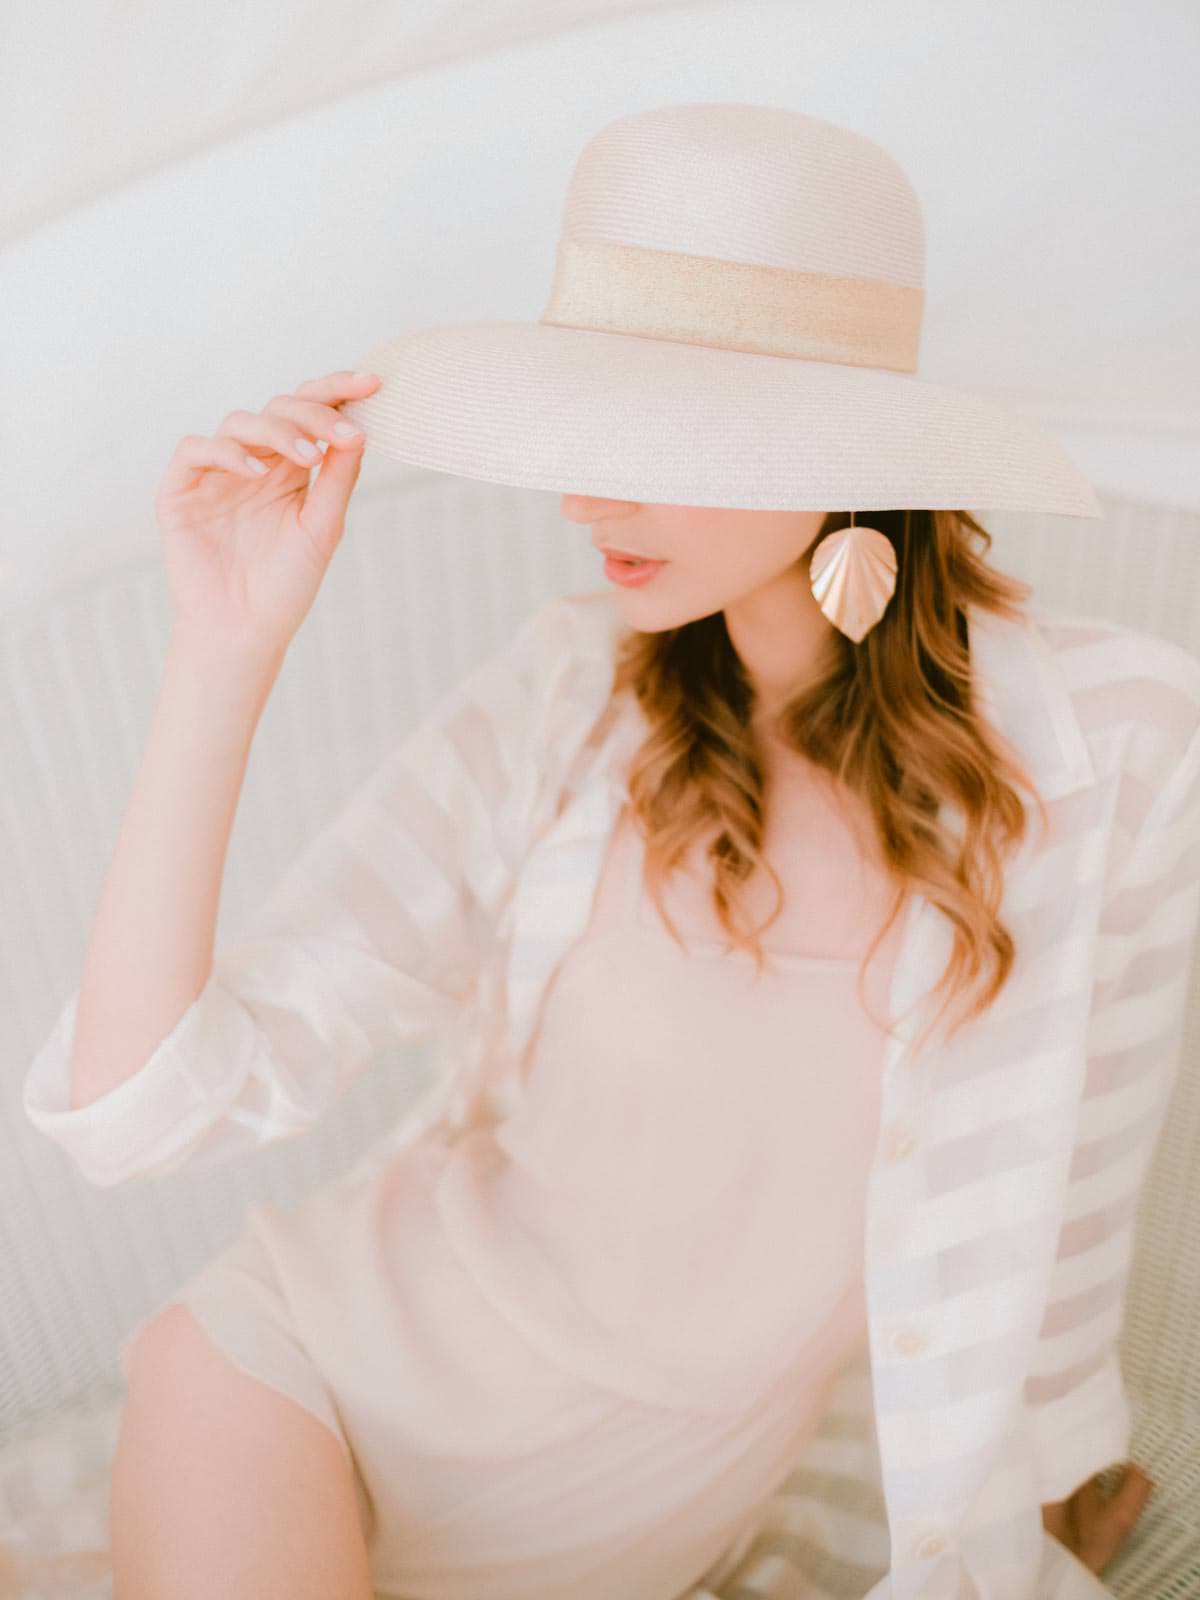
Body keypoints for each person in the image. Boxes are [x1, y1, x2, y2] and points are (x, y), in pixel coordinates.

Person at [23, 105, 1198, 1599]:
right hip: (307, 1372)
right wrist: (224, 652)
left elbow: (1075, 1180)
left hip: (626, 1519)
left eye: (661, 437)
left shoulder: (1121, 745)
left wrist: (1032, 1493)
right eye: (586, 429)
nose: (587, 497)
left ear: (850, 444)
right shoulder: (565, 696)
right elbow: (140, 1112)